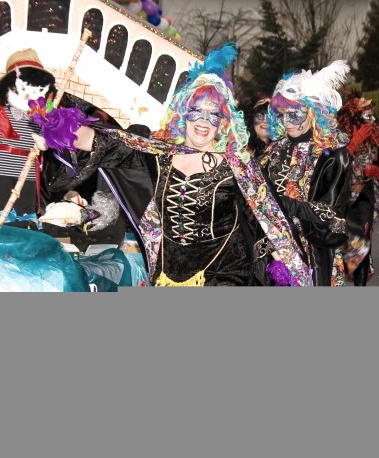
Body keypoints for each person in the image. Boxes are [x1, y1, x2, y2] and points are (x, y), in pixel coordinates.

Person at [44, 42, 309, 286]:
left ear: (223, 122)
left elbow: (266, 216)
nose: (204, 121)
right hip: (167, 270)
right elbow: (101, 142)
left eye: (213, 114)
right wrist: (52, 120)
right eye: (197, 111)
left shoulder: (238, 165)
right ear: (183, 113)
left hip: (226, 271)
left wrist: (284, 263)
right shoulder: (160, 154)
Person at [260, 60, 353, 286]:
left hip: (313, 254)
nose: (287, 122)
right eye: (282, 114)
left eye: (294, 115)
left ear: (313, 113)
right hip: (270, 252)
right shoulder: (274, 149)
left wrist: (286, 204)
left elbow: (334, 216)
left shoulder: (333, 154)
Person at [0, 48, 56, 216]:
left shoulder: (38, 118)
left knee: (25, 210)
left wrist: (44, 141)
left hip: (26, 171)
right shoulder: (1, 116)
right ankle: (0, 237)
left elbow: (45, 138)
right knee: (0, 207)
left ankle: (23, 232)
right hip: (0, 169)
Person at [336, 96, 379, 286]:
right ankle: (341, 273)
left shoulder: (375, 138)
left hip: (365, 194)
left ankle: (361, 283)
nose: (371, 117)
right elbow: (333, 165)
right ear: (355, 116)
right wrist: (352, 145)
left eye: (371, 113)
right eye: (366, 113)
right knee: (345, 239)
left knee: (364, 239)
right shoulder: (339, 135)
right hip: (342, 196)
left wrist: (376, 172)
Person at [246, 98, 271, 164]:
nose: (265, 121)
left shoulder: (284, 148)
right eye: (259, 116)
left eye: (270, 116)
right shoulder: (244, 150)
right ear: (252, 121)